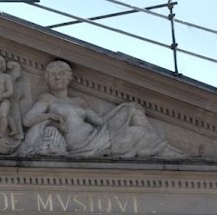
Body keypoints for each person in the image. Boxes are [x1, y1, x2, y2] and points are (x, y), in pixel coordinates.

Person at [20, 61, 173, 158]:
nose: (57, 77)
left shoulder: (79, 101)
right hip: (82, 146)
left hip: (97, 137)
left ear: (69, 78)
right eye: (53, 75)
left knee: (133, 110)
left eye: (61, 74)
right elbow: (28, 120)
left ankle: (162, 151)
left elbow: (100, 121)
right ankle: (163, 151)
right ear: (47, 79)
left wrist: (121, 109)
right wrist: (52, 116)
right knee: (140, 134)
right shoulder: (47, 99)